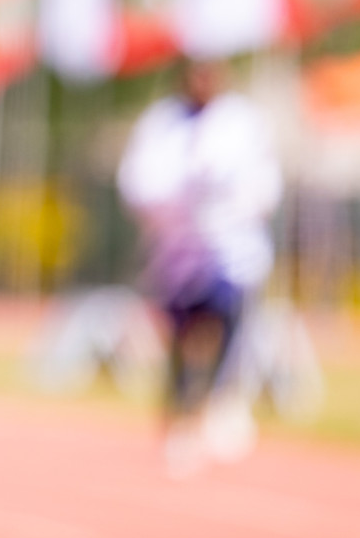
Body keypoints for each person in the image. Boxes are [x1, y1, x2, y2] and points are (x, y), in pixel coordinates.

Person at [116, 58, 282, 476]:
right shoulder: (161, 123)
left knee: (225, 324)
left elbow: (263, 184)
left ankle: (216, 400)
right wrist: (173, 204)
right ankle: (180, 413)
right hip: (176, 255)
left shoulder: (242, 122)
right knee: (182, 337)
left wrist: (231, 204)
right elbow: (138, 182)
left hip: (230, 253)